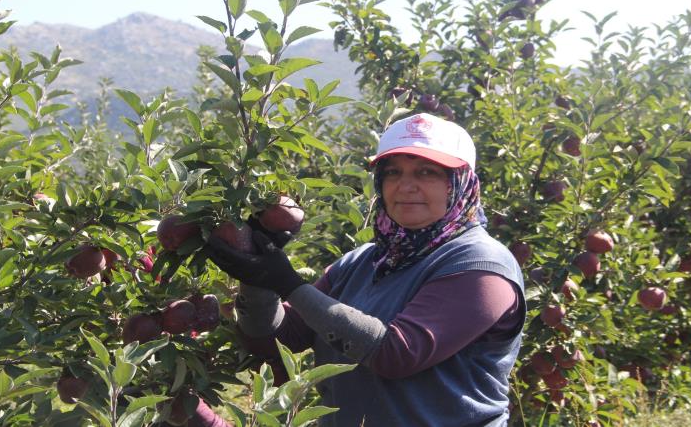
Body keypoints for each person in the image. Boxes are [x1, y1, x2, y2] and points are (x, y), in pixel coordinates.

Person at [205, 113, 526, 427]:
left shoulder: (482, 265)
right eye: (393, 172)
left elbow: (397, 355)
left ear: (461, 183)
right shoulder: (363, 262)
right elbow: (275, 339)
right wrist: (257, 279)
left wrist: (287, 283)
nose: (406, 186)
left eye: (427, 172)